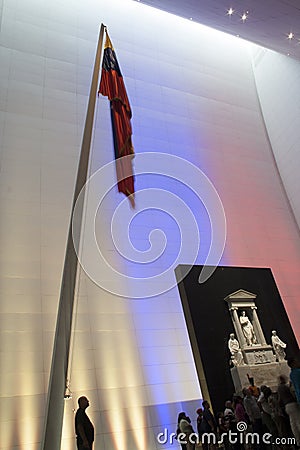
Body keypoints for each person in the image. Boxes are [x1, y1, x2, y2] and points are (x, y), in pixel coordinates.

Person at [277, 374, 300, 446]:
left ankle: (298, 441)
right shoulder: (286, 387)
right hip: (292, 404)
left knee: (293, 424)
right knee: (298, 422)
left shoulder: (279, 388)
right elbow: (293, 393)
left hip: (287, 406)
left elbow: (280, 400)